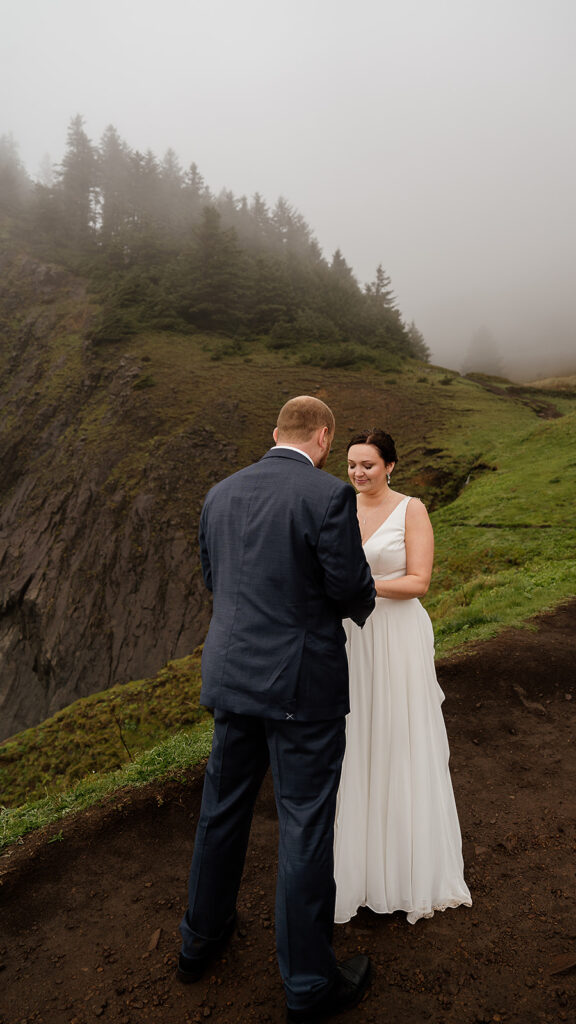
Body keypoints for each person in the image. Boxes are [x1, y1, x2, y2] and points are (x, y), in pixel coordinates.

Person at [177, 397, 376, 1023]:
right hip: (301, 690)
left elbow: (216, 579)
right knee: (304, 826)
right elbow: (348, 589)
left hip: (231, 679)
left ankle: (198, 943)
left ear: (274, 434)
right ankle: (310, 985)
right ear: (323, 437)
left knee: (221, 812)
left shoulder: (220, 494)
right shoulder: (327, 497)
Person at [334, 429, 472, 925]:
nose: (357, 472)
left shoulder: (411, 509)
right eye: (351, 463)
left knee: (398, 737)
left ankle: (409, 865)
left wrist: (360, 587)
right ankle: (360, 866)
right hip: (351, 638)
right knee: (356, 740)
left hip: (395, 636)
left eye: (367, 464)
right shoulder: (338, 505)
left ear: (390, 465)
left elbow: (419, 581)